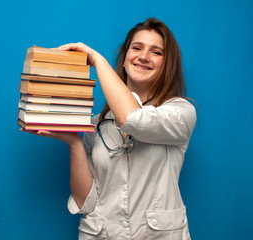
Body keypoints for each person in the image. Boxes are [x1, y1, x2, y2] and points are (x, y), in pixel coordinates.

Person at [21, 18, 196, 240]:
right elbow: (87, 202)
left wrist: (97, 60)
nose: (144, 56)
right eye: (137, 48)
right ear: (124, 59)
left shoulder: (181, 113)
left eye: (156, 52)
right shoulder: (96, 125)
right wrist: (74, 142)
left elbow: (133, 118)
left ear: (167, 65)